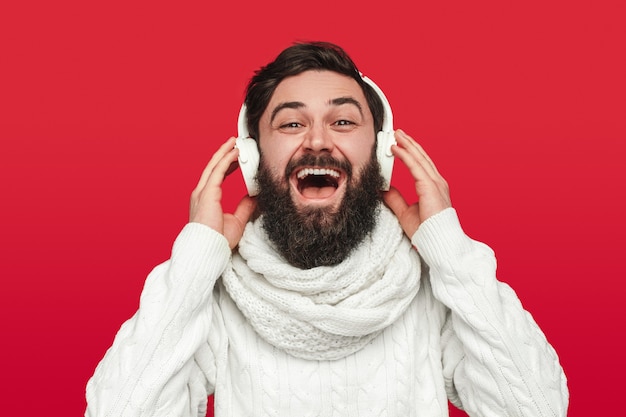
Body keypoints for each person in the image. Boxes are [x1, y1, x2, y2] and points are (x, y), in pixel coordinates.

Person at [85, 41, 569, 416]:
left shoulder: (430, 284)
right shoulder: (219, 293)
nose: (318, 140)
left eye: (342, 120)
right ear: (253, 160)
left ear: (380, 155)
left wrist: (451, 251)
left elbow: (538, 408)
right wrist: (193, 262)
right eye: (291, 125)